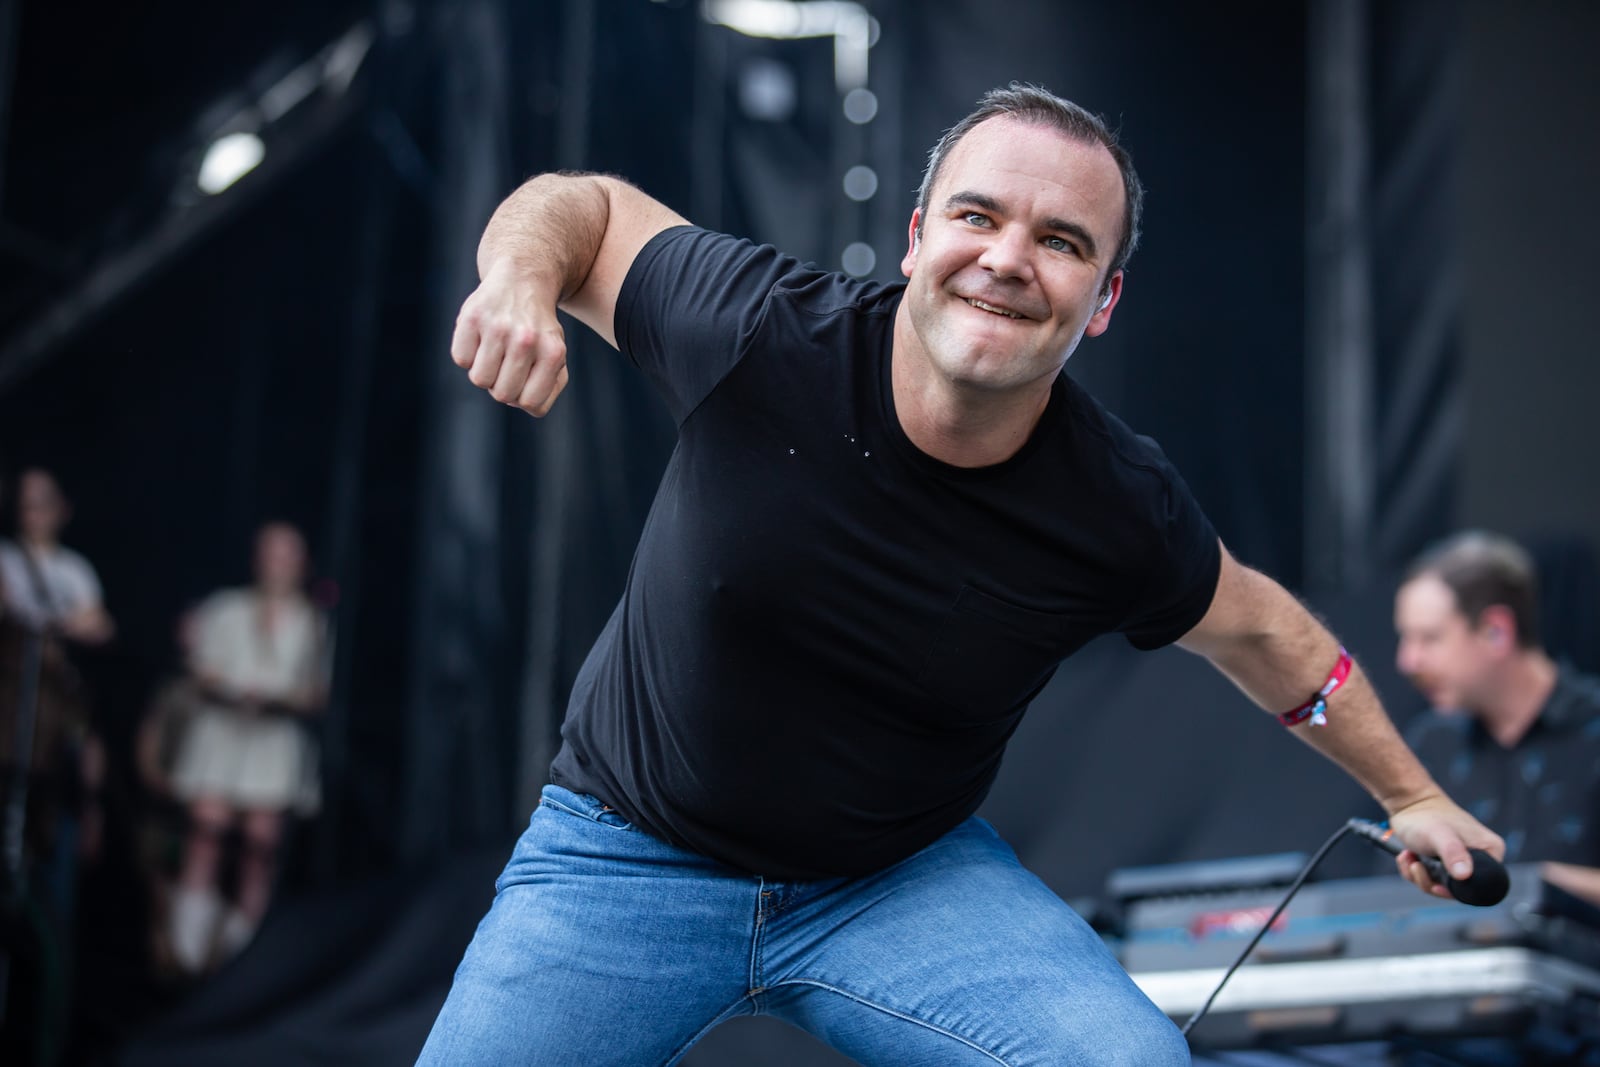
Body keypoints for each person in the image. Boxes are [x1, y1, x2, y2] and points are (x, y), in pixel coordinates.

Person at [420, 85, 1503, 1065]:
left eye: (1061, 240)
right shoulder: (759, 331)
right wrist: (518, 280)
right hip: (627, 853)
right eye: (977, 216)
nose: (1006, 257)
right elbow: (587, 206)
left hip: (896, 880)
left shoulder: (1116, 503)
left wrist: (1410, 793)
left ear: (1104, 299)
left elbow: (1265, 632)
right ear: (916, 236)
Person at [1395, 530, 1600, 907]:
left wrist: (1535, 884)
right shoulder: (1432, 742)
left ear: (1496, 631)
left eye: (1429, 638)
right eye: (1406, 639)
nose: (1408, 662)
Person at [162, 522, 327, 975]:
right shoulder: (226, 608)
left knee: (260, 845)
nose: (280, 566)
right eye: (273, 555)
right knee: (206, 834)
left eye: (289, 556)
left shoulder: (311, 621)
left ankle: (239, 957)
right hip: (222, 735)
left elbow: (317, 690)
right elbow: (200, 670)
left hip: (272, 742)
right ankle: (186, 952)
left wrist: (278, 698)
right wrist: (233, 690)